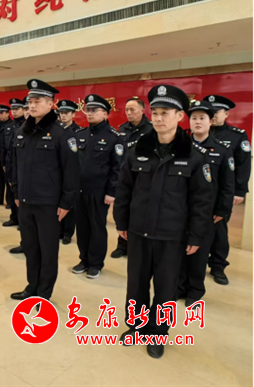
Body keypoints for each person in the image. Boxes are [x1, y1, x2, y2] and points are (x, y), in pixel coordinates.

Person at [114, 84, 213, 359]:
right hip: (138, 230)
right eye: (155, 112)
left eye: (165, 113)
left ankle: (158, 333)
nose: (158, 118)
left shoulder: (194, 156)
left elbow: (202, 202)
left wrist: (196, 236)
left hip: (172, 235)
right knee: (136, 283)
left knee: (166, 287)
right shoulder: (138, 150)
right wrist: (121, 222)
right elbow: (124, 189)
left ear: (180, 116)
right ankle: (136, 326)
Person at [10, 80, 80, 301]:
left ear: (51, 104)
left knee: (48, 251)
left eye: (37, 101)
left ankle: (44, 293)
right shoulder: (22, 131)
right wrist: (16, 193)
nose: (32, 105)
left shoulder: (62, 133)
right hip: (26, 201)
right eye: (30, 101)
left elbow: (71, 171)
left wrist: (66, 202)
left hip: (49, 204)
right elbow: (15, 166)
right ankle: (32, 287)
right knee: (31, 248)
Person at [178, 100, 234, 306]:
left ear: (211, 122)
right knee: (180, 250)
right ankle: (179, 287)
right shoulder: (180, 146)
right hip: (181, 209)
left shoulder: (222, 150)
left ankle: (195, 290)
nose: (197, 122)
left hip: (207, 212)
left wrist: (222, 210)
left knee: (199, 252)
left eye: (202, 118)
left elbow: (228, 184)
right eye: (194, 118)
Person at [72, 94, 123, 279]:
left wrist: (111, 192)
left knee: (97, 228)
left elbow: (118, 168)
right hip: (80, 190)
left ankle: (95, 263)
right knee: (82, 228)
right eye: (88, 110)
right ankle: (84, 259)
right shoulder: (80, 135)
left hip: (99, 192)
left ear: (105, 114)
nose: (90, 113)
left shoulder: (114, 137)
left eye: (95, 110)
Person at [204, 94, 251, 285]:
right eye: (210, 112)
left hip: (222, 192)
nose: (214, 115)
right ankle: (195, 261)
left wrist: (239, 191)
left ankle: (218, 266)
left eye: (217, 112)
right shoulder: (198, 133)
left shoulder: (236, 135)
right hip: (198, 192)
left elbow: (243, 165)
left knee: (219, 230)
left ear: (226, 114)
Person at [110, 96, 153, 258]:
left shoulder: (151, 130)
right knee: (123, 210)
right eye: (127, 110)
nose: (129, 113)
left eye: (132, 110)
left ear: (142, 110)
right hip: (125, 176)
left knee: (141, 212)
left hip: (143, 177)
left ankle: (138, 246)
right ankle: (122, 245)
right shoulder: (122, 129)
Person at [56, 99, 81, 245]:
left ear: (73, 114)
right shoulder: (57, 130)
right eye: (61, 113)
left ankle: (67, 232)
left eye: (66, 113)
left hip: (73, 172)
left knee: (70, 203)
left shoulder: (79, 132)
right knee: (58, 201)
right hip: (58, 172)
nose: (63, 115)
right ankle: (58, 229)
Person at [3, 98, 25, 228]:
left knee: (20, 194)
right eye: (13, 109)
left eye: (17, 109)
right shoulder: (9, 126)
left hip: (21, 163)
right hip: (10, 162)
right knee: (11, 192)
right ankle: (14, 217)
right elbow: (6, 147)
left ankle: (22, 220)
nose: (14, 112)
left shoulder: (25, 125)